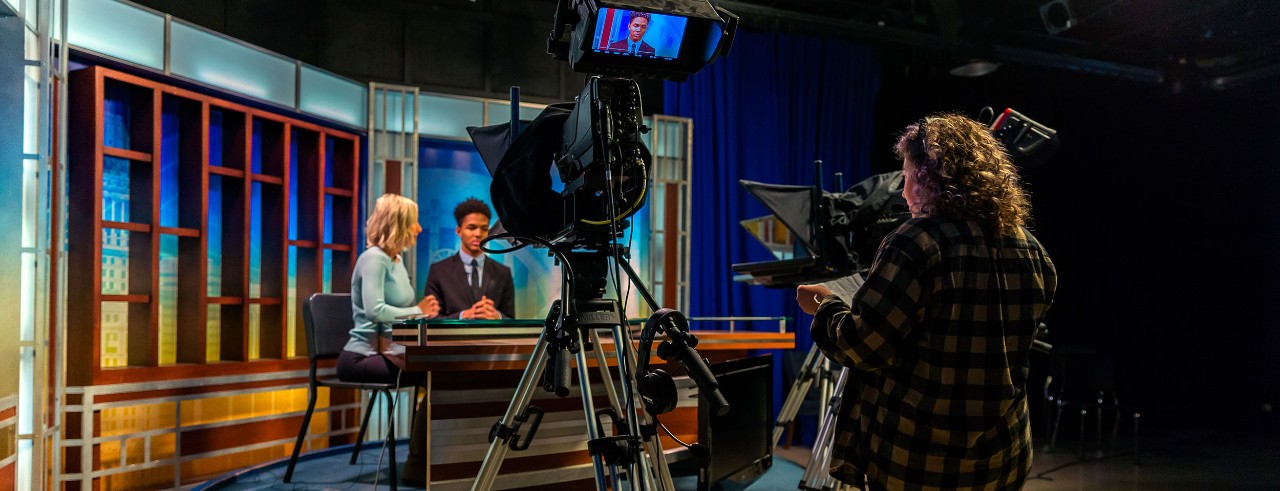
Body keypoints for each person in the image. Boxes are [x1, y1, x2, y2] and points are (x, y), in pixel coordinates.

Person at [796, 113, 1057, 490]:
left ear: (929, 176)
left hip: (921, 460)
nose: (902, 193)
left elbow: (863, 346)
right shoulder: (1032, 249)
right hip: (1004, 457)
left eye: (906, 176)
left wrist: (826, 305)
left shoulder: (918, 240)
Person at [338, 193, 438, 485]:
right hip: (360, 357)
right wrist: (417, 310)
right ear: (399, 224)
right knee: (434, 375)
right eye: (414, 222)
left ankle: (425, 460)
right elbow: (376, 310)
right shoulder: (373, 259)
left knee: (438, 375)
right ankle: (417, 466)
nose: (418, 229)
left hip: (386, 352)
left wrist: (417, 313)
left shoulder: (395, 260)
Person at [424, 197, 516, 319]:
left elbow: (511, 319)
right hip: (452, 338)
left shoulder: (503, 272)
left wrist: (497, 316)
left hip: (492, 338)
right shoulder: (438, 271)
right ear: (458, 231)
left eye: (484, 228)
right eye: (471, 227)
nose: (478, 234)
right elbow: (430, 318)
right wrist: (462, 316)